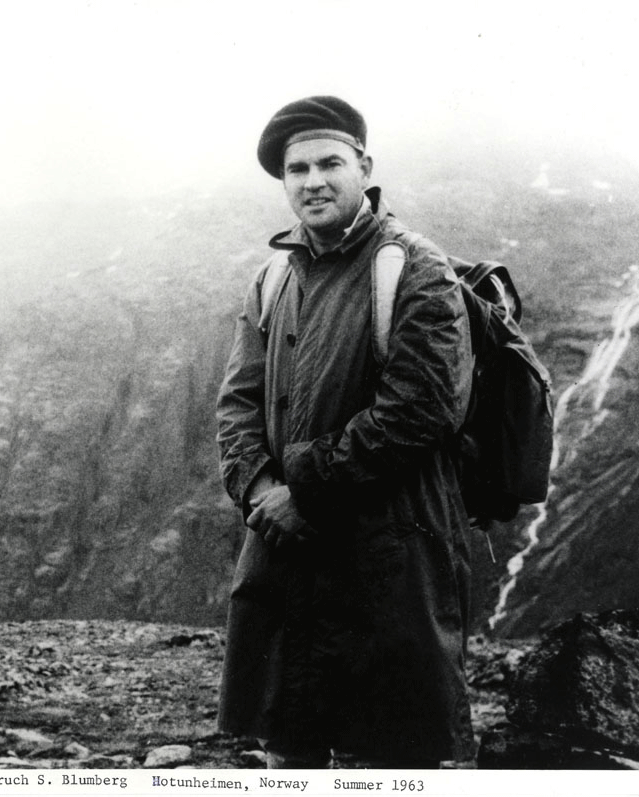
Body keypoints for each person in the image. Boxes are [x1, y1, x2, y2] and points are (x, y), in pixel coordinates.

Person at [215, 96, 476, 769]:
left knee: (397, 754)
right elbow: (237, 405)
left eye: (329, 162)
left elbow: (422, 409)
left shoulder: (413, 266)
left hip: (390, 555)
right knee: (287, 745)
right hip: (286, 552)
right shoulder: (273, 277)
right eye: (296, 168)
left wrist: (301, 489)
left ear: (364, 165)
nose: (312, 180)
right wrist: (261, 490)